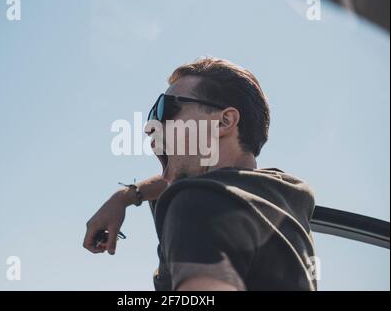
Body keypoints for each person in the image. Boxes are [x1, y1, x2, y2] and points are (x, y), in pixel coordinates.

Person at [83, 57, 317, 291]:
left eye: (166, 108)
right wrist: (126, 196)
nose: (150, 127)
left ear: (224, 122)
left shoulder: (196, 202)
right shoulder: (284, 196)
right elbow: (178, 182)